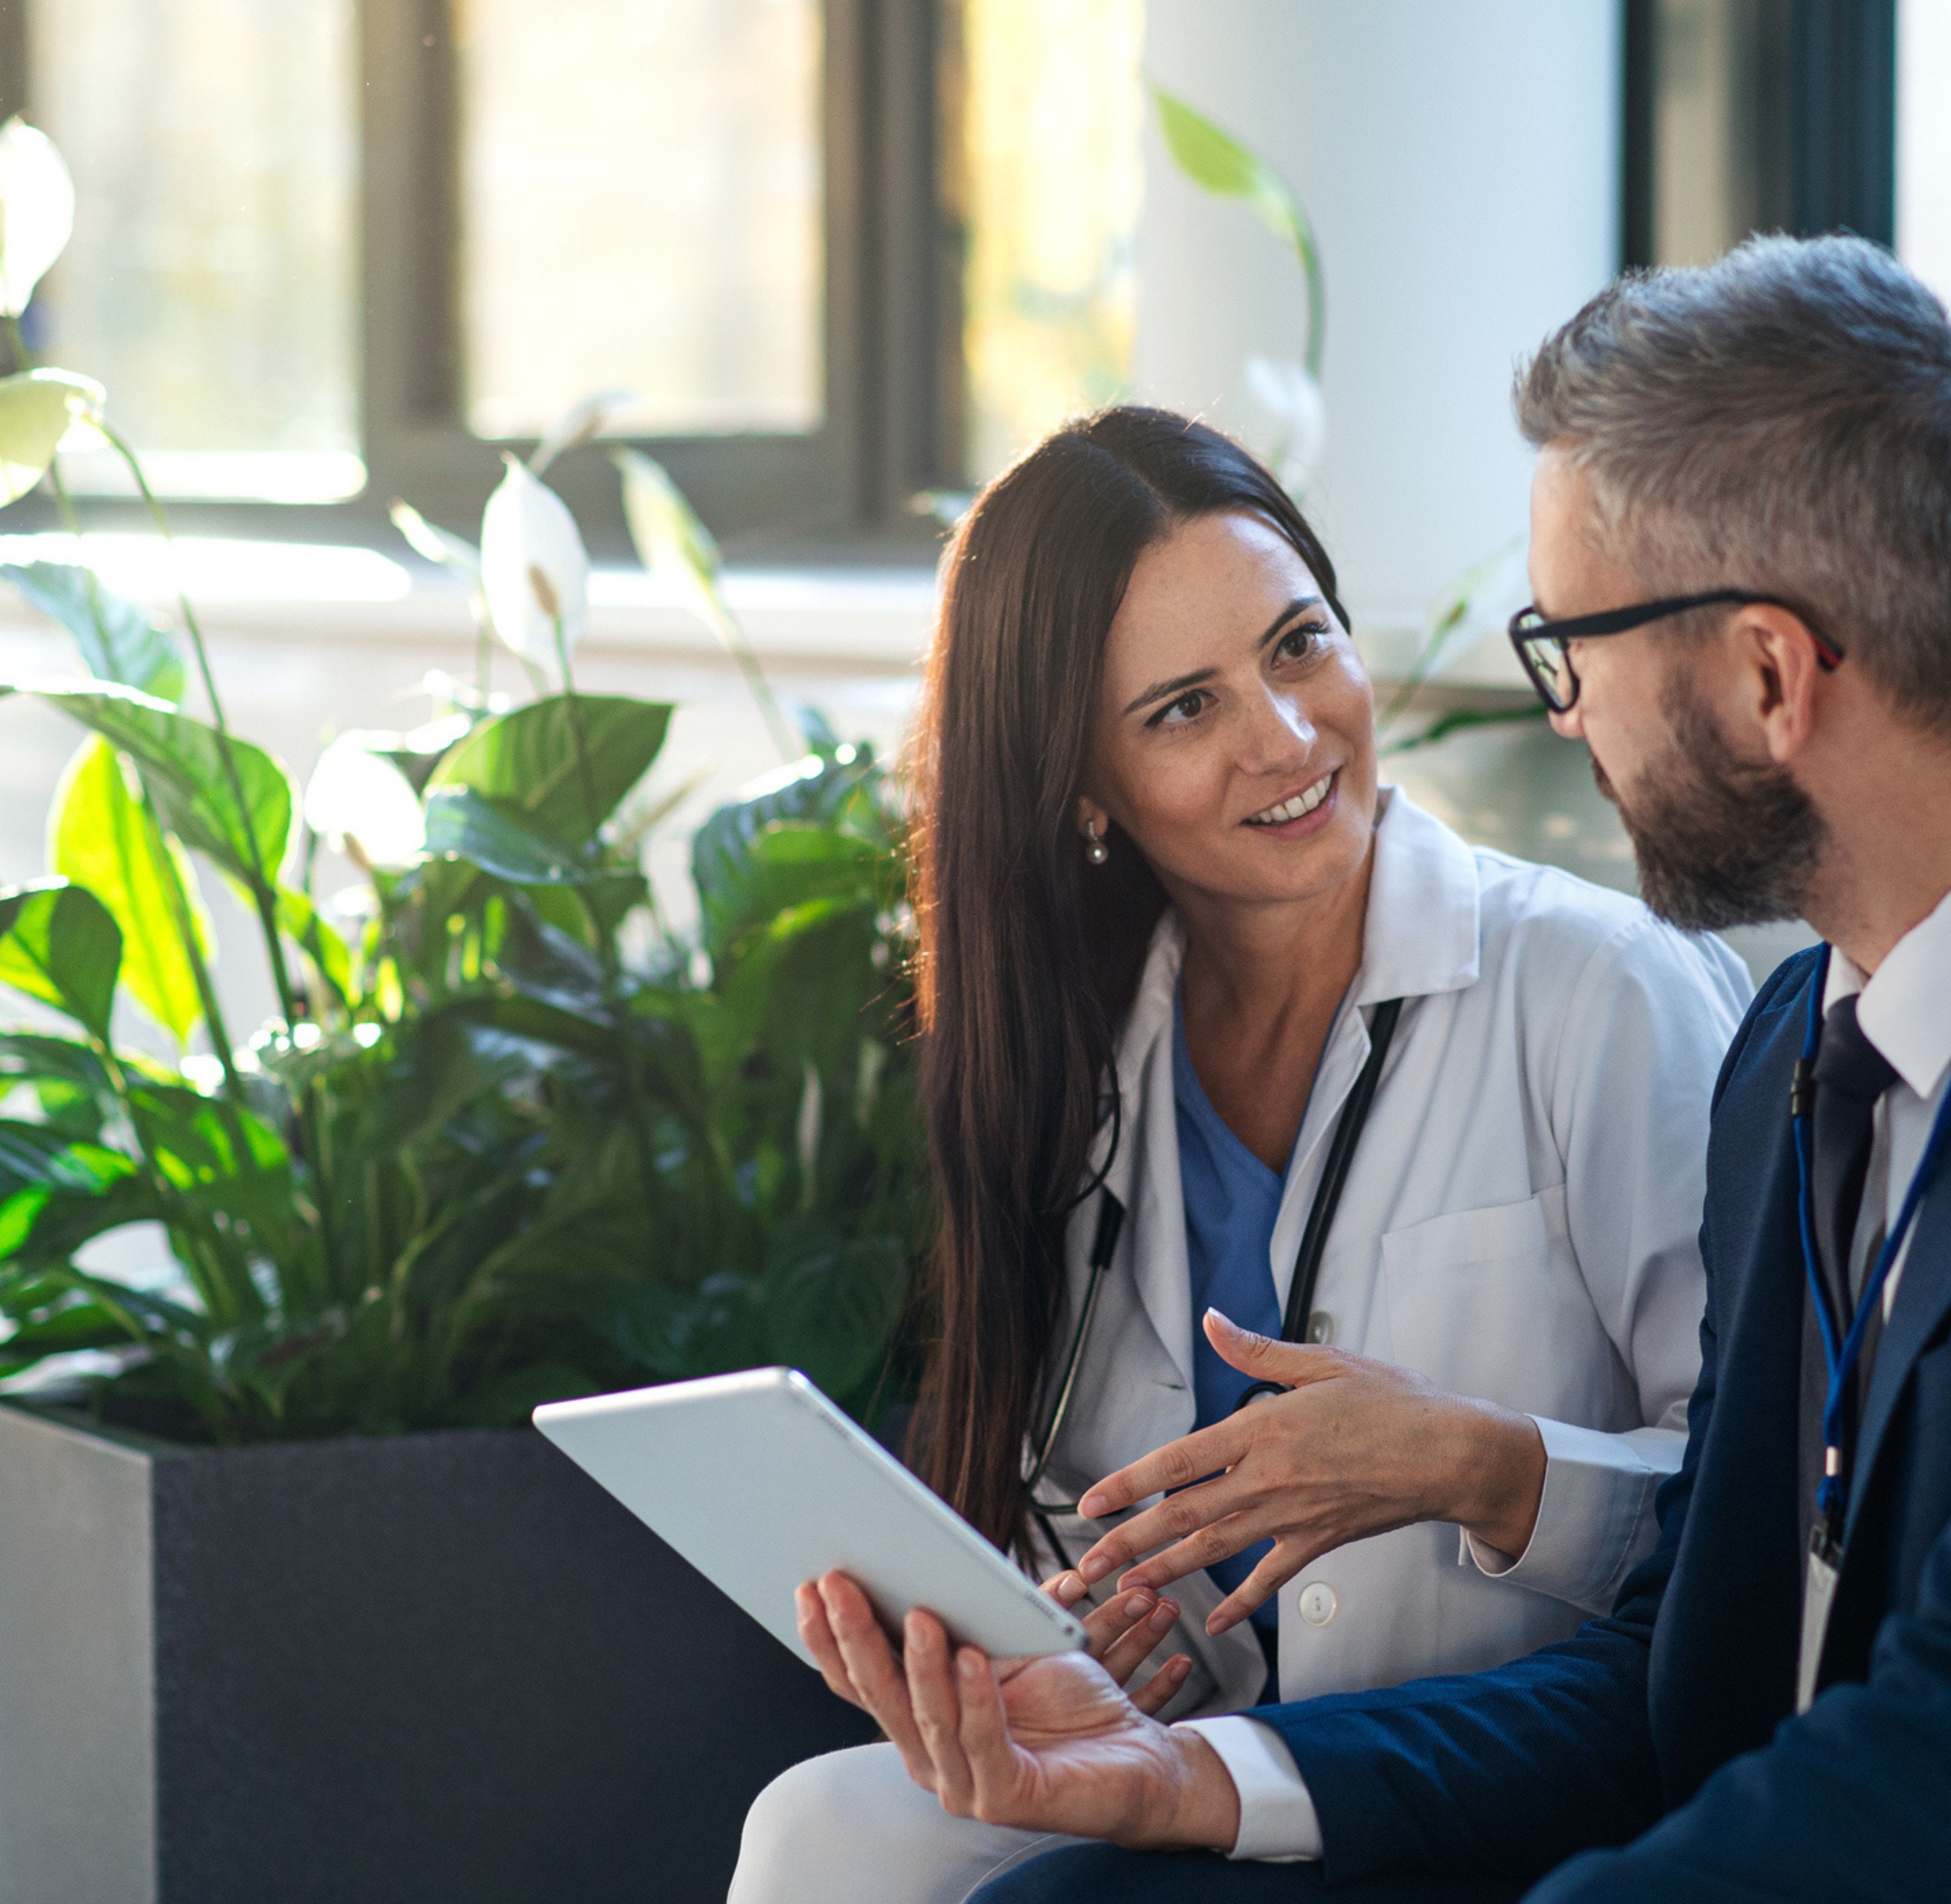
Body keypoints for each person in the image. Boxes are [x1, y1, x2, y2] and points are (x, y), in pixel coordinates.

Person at [799, 239, 1951, 1902]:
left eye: (1570, 648)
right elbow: (1671, 1683)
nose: (1557, 715)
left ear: (1761, 678)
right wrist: (1211, 1778)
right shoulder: (1800, 1052)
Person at [728, 407, 1753, 1902]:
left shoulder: (1598, 990)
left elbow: (1764, 1517)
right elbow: (1075, 1491)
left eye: (1295, 645)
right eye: (1181, 710)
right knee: (816, 1837)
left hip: (1498, 1771)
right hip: (1197, 1751)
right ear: (1083, 787)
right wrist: (1093, 1616)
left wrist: (1484, 1468)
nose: (1284, 737)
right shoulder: (1082, 1051)